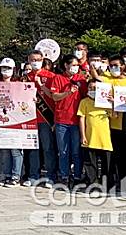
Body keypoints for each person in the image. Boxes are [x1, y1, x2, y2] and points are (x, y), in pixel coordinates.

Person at [91, 54, 126, 194]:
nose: (114, 68)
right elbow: (96, 77)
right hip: (113, 125)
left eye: (116, 65)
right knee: (119, 158)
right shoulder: (108, 80)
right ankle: (123, 183)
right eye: (111, 66)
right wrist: (93, 66)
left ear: (123, 65)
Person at [49, 55, 87, 186]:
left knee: (76, 151)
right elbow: (54, 97)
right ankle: (64, 175)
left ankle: (77, 175)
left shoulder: (81, 79)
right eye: (73, 65)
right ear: (66, 65)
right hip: (61, 121)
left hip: (77, 120)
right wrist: (68, 93)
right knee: (63, 151)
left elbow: (87, 95)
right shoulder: (58, 78)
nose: (75, 68)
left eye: (77, 65)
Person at [23, 50, 57, 188]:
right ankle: (33, 176)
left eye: (38, 59)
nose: (35, 61)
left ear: (43, 60)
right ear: (28, 60)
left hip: (46, 118)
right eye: (32, 59)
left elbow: (54, 96)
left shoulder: (51, 76)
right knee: (32, 149)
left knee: (48, 148)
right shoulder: (25, 77)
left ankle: (50, 176)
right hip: (30, 118)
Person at [78, 80, 113, 190]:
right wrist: (83, 136)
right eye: (90, 88)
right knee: (90, 163)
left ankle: (107, 184)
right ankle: (92, 183)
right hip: (90, 137)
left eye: (95, 88)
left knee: (106, 164)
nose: (92, 90)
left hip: (104, 139)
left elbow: (115, 115)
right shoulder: (84, 102)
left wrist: (112, 103)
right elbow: (81, 119)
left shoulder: (105, 103)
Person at [0, 58, 23, 187]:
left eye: (8, 68)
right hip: (0, 121)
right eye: (3, 68)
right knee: (4, 149)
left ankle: (16, 175)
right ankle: (5, 174)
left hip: (16, 121)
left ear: (14, 70)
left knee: (15, 150)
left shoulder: (20, 84)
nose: (5, 71)